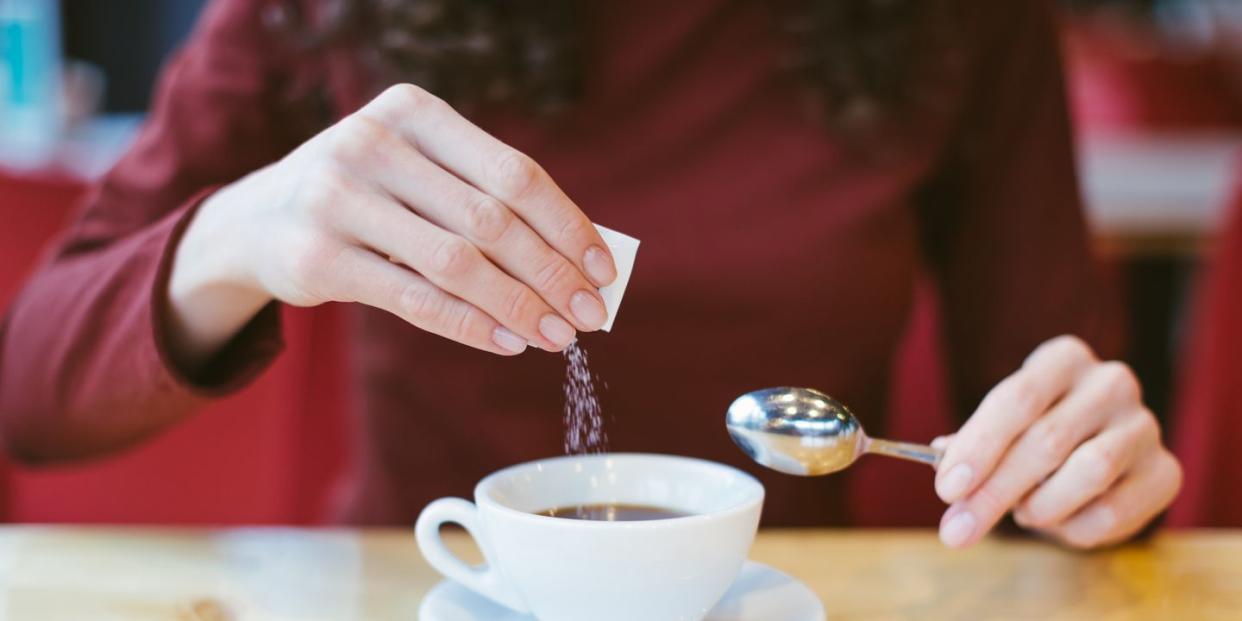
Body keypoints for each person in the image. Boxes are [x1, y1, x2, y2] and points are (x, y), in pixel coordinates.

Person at [0, 0, 1181, 549]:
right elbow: (30, 392)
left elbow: (1049, 420)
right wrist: (244, 232)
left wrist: (1084, 470)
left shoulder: (960, 24)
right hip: (423, 591)